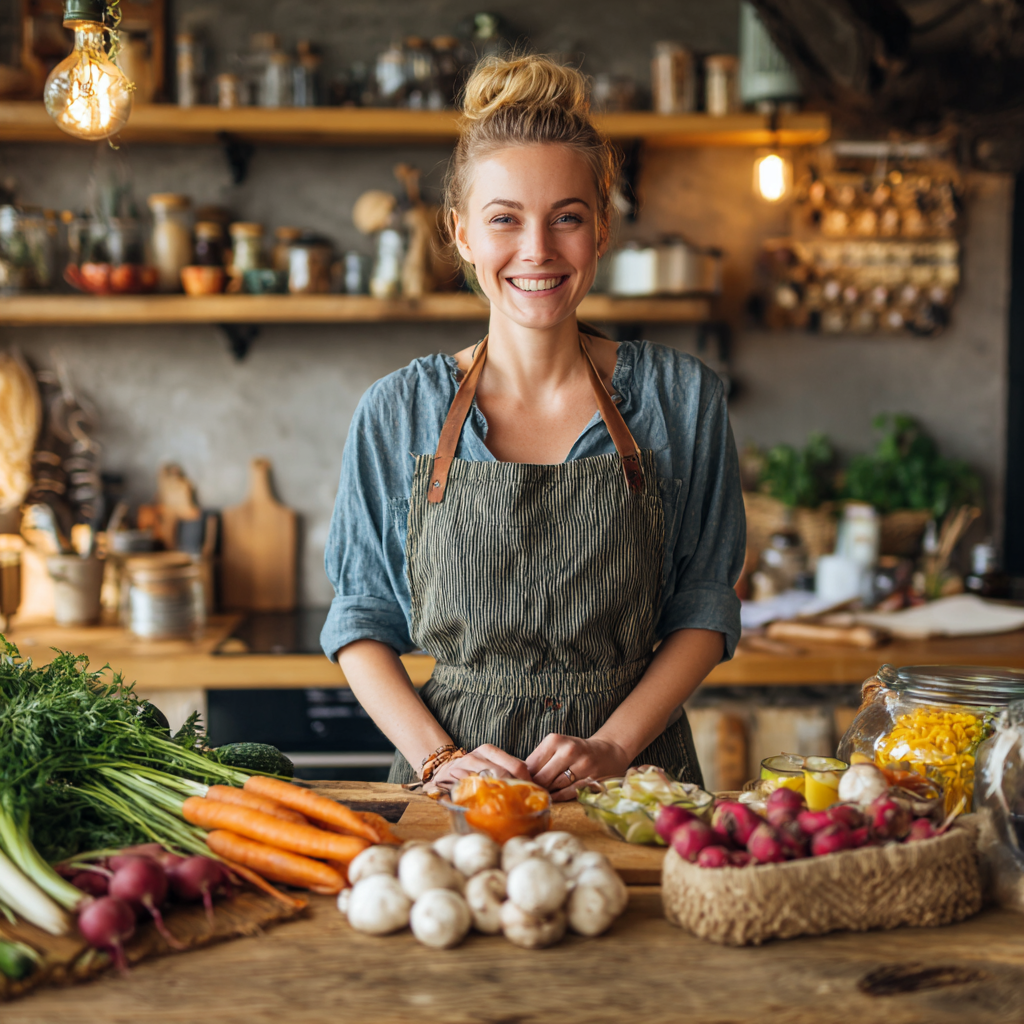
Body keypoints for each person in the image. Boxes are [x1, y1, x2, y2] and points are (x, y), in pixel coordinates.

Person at [321, 53, 745, 800]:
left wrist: (614, 745)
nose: (538, 251)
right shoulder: (397, 411)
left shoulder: (683, 398)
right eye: (504, 220)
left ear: (603, 229)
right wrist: (438, 759)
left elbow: (704, 610)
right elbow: (361, 622)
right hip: (452, 793)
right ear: (460, 234)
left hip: (635, 790)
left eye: (568, 219)